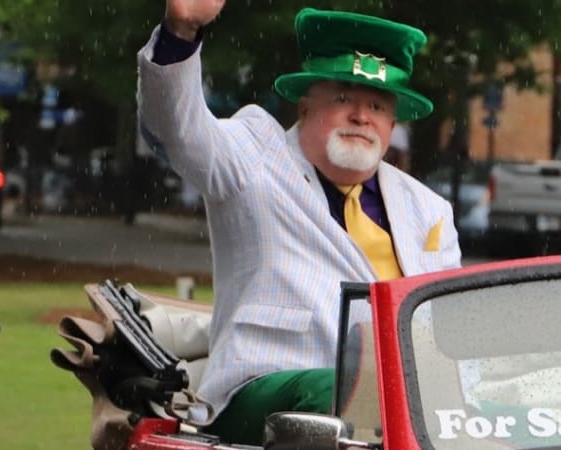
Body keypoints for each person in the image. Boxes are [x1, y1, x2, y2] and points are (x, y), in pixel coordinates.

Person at [137, 3, 462, 445]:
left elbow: (447, 331)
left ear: (392, 122)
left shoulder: (428, 210)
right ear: (306, 107)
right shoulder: (254, 155)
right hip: (260, 388)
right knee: (349, 392)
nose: (361, 116)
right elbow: (177, 128)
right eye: (343, 98)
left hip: (398, 404)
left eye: (377, 105)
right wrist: (182, 29)